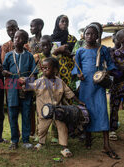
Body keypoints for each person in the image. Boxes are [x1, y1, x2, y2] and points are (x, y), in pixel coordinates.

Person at [23, 57, 85, 157]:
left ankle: (65, 147)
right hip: (44, 111)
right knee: (42, 128)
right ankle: (41, 142)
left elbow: (69, 92)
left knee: (62, 127)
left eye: (47, 68)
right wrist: (24, 84)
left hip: (58, 110)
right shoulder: (39, 81)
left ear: (55, 70)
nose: (44, 70)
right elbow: (30, 86)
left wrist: (78, 101)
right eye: (42, 68)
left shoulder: (60, 82)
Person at [74, 23, 119, 159]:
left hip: (98, 86)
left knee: (102, 111)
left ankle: (106, 145)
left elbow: (110, 64)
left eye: (93, 34)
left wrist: (107, 73)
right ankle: (88, 138)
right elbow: (76, 67)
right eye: (87, 33)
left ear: (98, 36)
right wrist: (78, 75)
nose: (90, 36)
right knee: (86, 112)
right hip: (85, 86)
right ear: (84, 35)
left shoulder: (103, 49)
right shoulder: (80, 51)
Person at [2, 29, 37, 150]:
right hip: (12, 89)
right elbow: (3, 70)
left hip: (25, 89)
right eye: (15, 37)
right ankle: (14, 140)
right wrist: (5, 72)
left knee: (26, 114)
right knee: (12, 115)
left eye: (20, 38)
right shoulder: (8, 55)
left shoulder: (29, 56)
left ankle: (26, 140)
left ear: (25, 41)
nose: (17, 40)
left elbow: (34, 73)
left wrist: (28, 82)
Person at [50, 14, 77, 144]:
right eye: (62, 21)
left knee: (69, 101)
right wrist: (57, 50)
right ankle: (57, 131)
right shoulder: (51, 38)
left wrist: (62, 50)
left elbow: (74, 52)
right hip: (55, 75)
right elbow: (48, 54)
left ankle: (71, 129)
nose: (64, 24)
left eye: (66, 22)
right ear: (57, 23)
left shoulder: (72, 38)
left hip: (69, 74)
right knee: (56, 101)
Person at [28, 18, 44, 139]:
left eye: (32, 26)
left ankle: (42, 131)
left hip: (43, 75)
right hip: (32, 75)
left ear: (39, 27)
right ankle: (33, 131)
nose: (31, 29)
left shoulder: (46, 40)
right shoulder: (29, 41)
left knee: (42, 104)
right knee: (32, 105)